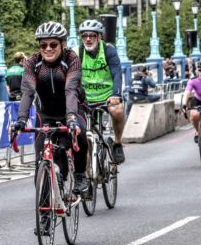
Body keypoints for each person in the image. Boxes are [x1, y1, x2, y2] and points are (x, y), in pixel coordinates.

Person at [11, 21, 89, 196]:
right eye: (43, 45)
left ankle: (80, 175)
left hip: (72, 108)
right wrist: (21, 120)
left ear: (62, 44)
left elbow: (70, 89)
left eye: (53, 44)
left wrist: (71, 118)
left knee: (80, 134)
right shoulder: (32, 62)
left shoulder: (71, 59)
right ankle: (45, 205)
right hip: (45, 113)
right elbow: (28, 92)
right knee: (41, 160)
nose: (48, 49)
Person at [76, 19, 126, 164]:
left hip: (107, 97)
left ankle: (117, 143)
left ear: (99, 37)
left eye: (92, 35)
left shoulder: (109, 50)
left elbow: (117, 73)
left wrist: (116, 94)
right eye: (85, 35)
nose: (88, 39)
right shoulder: (77, 52)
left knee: (117, 111)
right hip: (86, 99)